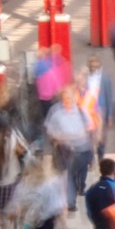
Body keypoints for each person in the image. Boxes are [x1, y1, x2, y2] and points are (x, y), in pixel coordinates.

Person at [46, 84, 96, 213]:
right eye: (65, 99)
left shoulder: (81, 112)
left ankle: (80, 186)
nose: (67, 101)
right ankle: (71, 202)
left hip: (83, 149)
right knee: (70, 175)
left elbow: (90, 127)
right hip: (68, 150)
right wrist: (59, 138)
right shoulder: (57, 114)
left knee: (80, 172)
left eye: (69, 98)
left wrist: (85, 138)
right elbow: (50, 131)